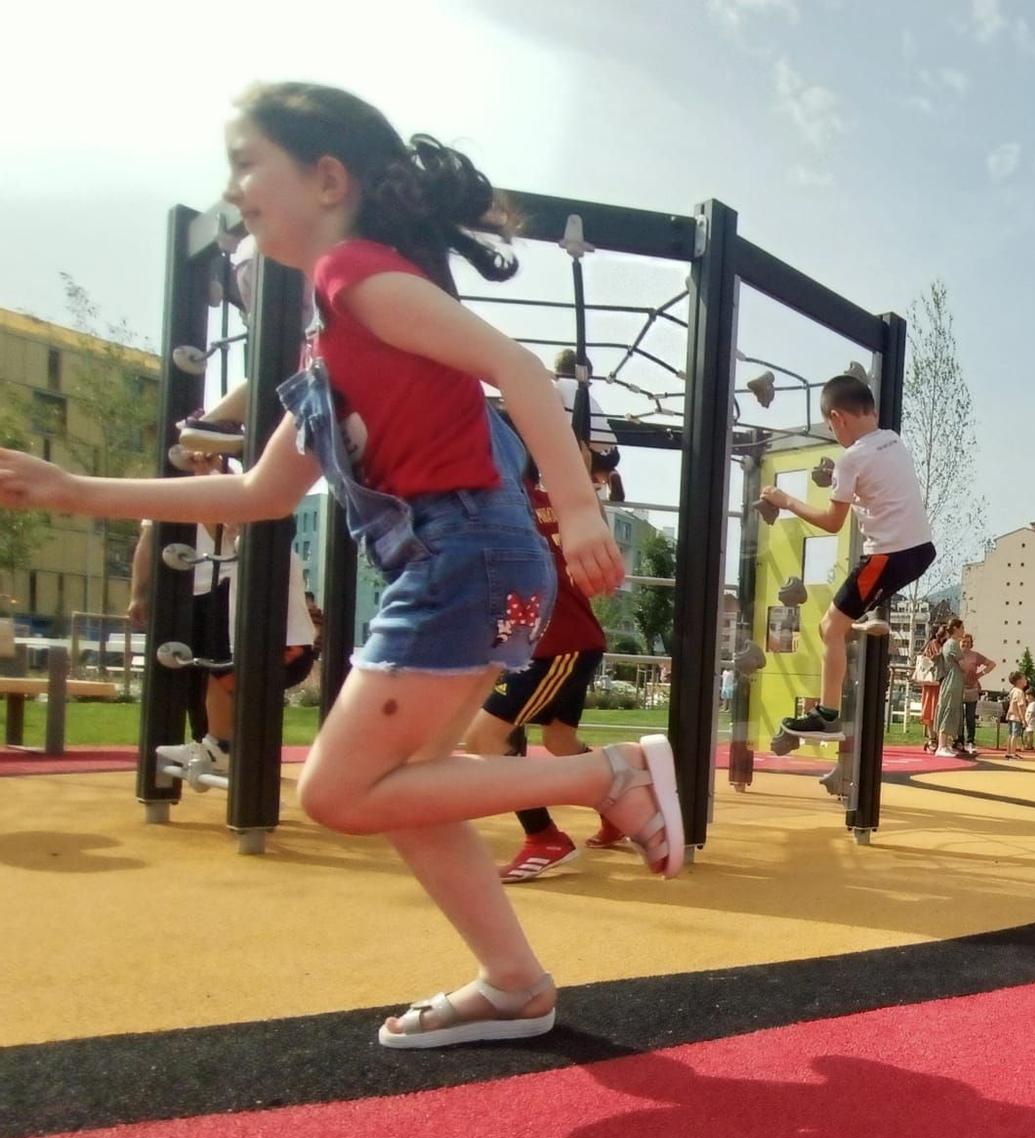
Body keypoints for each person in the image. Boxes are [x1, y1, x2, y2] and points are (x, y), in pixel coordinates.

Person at [0, 83, 683, 1051]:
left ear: (327, 178)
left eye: (247, 163)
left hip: (463, 555)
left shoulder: (354, 276)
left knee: (336, 792)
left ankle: (605, 778)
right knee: (401, 786)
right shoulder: (332, 351)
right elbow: (257, 498)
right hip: (464, 561)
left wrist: (579, 511)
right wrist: (75, 489)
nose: (234, 189)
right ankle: (513, 982)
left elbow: (518, 368)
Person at [462, 433, 624, 882]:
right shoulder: (551, 502)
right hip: (563, 642)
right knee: (559, 743)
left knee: (486, 738)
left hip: (557, 646)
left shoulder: (514, 501)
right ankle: (622, 810)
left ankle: (544, 837)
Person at [760, 374, 936, 737]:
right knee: (840, 622)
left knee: (829, 627)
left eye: (831, 426)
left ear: (838, 417)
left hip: (888, 555)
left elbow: (831, 522)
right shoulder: (893, 441)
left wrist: (785, 500)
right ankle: (862, 621)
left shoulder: (851, 459)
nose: (834, 434)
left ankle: (827, 715)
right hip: (918, 549)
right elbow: (881, 493)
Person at [128, 463, 319, 781]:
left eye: (238, 523)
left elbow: (223, 518)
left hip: (290, 650)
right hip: (271, 647)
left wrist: (211, 473)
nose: (230, 525)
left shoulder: (269, 554)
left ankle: (223, 752)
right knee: (216, 680)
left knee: (224, 681)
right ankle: (218, 749)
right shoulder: (240, 551)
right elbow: (215, 517)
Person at [930, 618, 974, 759]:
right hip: (953, 680)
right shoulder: (953, 644)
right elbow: (963, 665)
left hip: (953, 680)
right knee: (949, 710)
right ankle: (942, 745)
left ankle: (946, 744)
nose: (963, 631)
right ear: (955, 628)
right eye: (961, 628)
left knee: (952, 710)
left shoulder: (949, 643)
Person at [960, 630, 994, 750]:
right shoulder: (955, 654)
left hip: (971, 689)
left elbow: (991, 664)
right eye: (963, 642)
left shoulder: (975, 656)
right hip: (958, 689)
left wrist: (980, 674)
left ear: (971, 644)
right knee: (959, 717)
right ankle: (959, 740)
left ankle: (970, 741)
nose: (965, 644)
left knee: (970, 717)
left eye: (968, 642)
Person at [914, 624, 944, 752]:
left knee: (934, 710)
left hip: (936, 682)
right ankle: (933, 738)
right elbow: (935, 659)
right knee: (932, 710)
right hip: (933, 682)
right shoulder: (934, 644)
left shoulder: (937, 644)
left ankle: (934, 738)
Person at [1003, 671, 1029, 759]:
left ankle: (1009, 752)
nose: (1026, 680)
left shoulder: (1013, 690)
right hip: (1016, 716)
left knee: (1010, 734)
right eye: (1024, 678)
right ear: (1019, 681)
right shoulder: (1020, 692)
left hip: (1010, 715)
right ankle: (1013, 753)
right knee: (1015, 734)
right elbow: (1020, 706)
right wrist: (1023, 719)